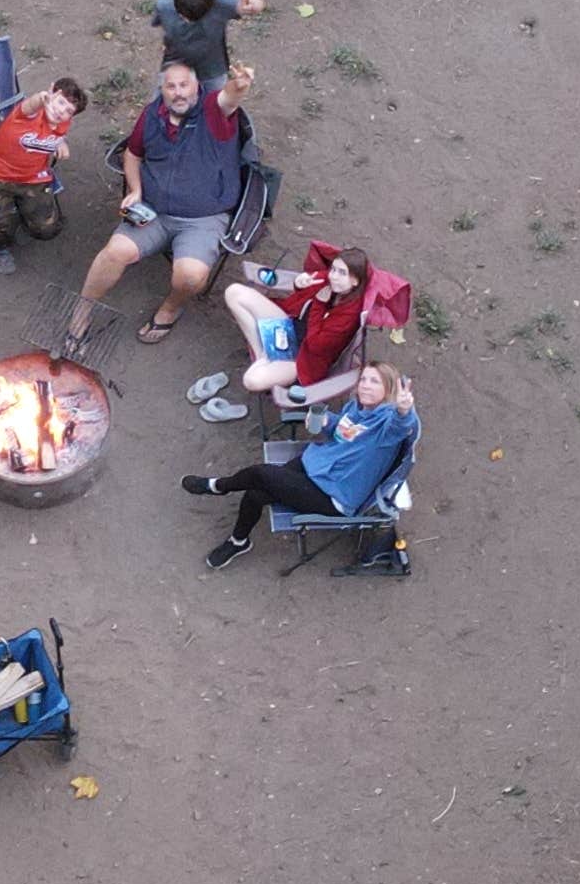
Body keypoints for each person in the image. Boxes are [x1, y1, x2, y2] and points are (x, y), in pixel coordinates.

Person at [57, 59, 248, 355]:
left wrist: (239, 85)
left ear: (197, 87)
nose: (178, 92)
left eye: (185, 85)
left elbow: (230, 98)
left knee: (189, 275)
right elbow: (132, 154)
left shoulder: (212, 111)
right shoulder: (152, 115)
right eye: (171, 86)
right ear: (162, 90)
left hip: (202, 218)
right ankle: (81, 314)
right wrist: (135, 190)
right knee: (114, 251)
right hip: (154, 211)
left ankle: (171, 308)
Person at [181, 364, 415, 570]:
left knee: (261, 473)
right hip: (316, 465)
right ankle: (238, 542)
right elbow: (341, 432)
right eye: (363, 379)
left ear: (389, 389)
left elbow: (402, 426)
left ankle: (218, 486)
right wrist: (327, 422)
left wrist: (404, 410)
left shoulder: (386, 423)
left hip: (333, 494)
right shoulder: (357, 408)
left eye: (374, 381)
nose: (365, 385)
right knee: (255, 493)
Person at [189, 241, 378, 421]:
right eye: (334, 269)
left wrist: (319, 305)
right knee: (234, 292)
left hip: (302, 358)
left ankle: (269, 358)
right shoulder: (328, 280)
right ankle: (264, 354)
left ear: (355, 281)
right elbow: (302, 289)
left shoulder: (350, 314)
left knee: (251, 381)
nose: (333, 276)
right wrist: (299, 282)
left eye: (342, 273)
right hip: (288, 327)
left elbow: (315, 345)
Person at [0, 76, 87, 268]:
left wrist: (61, 143)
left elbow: (56, 133)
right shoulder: (28, 113)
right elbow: (32, 105)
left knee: (47, 230)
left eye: (68, 111)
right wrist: (42, 99)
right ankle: (1, 248)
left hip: (33, 178)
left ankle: (23, 217)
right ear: (51, 92)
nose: (61, 111)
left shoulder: (62, 123)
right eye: (60, 102)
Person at [146, 0, 264, 93]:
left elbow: (244, 7)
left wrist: (254, 5)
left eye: (193, 19)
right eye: (183, 16)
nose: (187, 21)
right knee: (159, 104)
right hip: (175, 64)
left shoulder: (220, 6)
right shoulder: (163, 7)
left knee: (214, 104)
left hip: (212, 70)